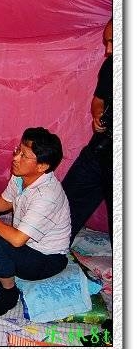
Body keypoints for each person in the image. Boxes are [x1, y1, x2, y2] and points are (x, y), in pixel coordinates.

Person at [0, 127, 70, 316]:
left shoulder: (47, 195)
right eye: (18, 150)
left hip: (47, 259)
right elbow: (5, 202)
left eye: (24, 155)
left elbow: (17, 240)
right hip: (26, 246)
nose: (15, 158)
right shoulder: (21, 176)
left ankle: (9, 291)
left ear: (42, 166)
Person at [62, 19, 114, 245]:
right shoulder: (111, 66)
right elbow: (98, 100)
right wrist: (98, 114)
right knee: (65, 206)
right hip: (99, 149)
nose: (108, 50)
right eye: (106, 42)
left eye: (113, 42)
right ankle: (50, 252)